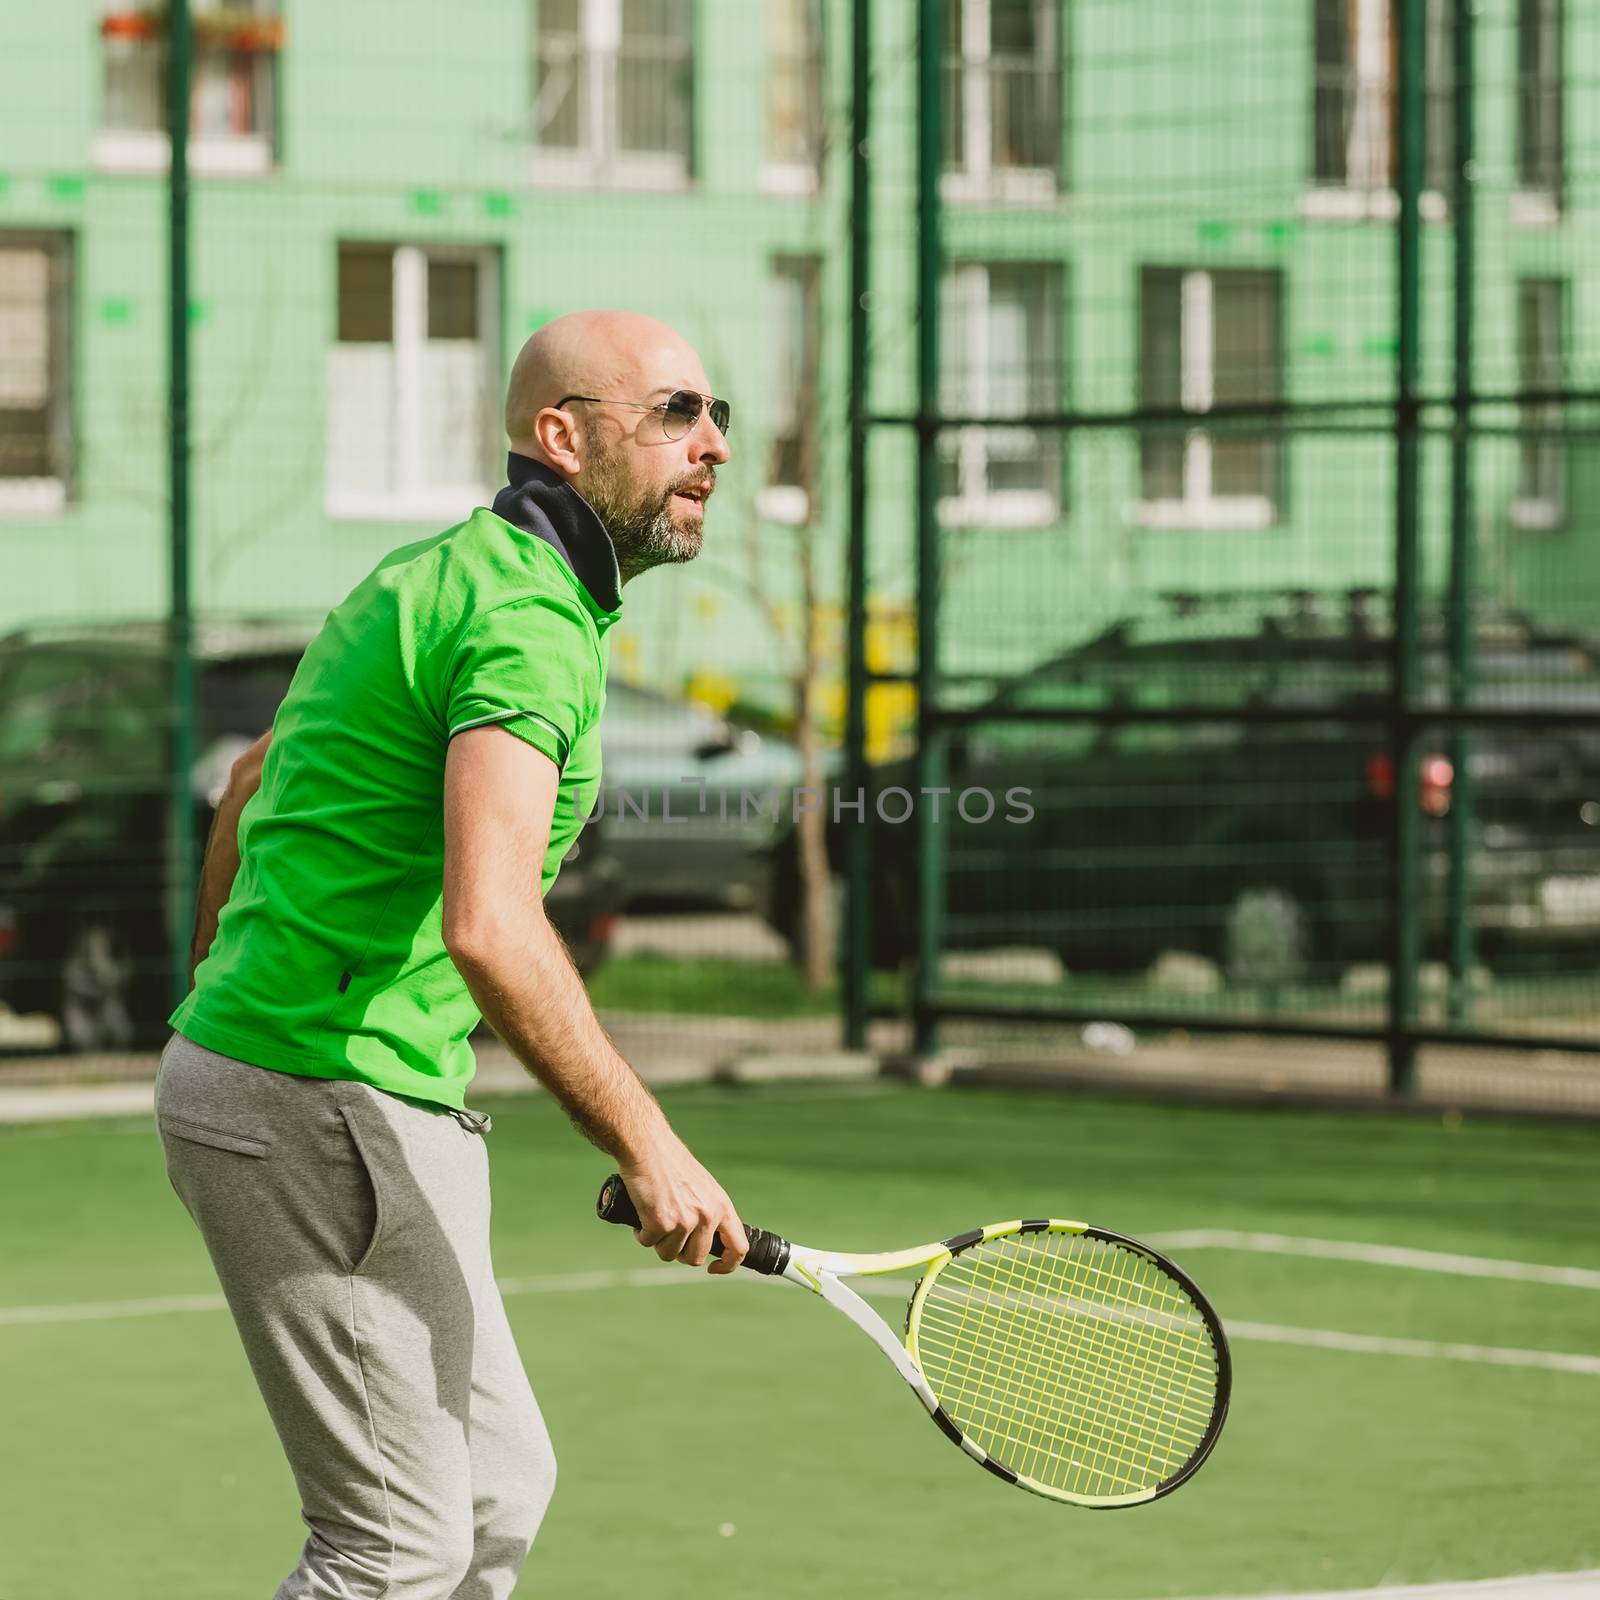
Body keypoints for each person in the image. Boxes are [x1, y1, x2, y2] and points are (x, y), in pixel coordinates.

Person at [156, 309, 744, 1599]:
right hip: (322, 1095)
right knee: (392, 1551)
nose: (711, 448)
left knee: (491, 1495)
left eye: (715, 415)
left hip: (311, 1083)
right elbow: (491, 923)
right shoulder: (526, 617)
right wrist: (652, 1145)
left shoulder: (433, 575)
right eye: (674, 415)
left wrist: (211, 1004)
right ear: (562, 437)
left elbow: (250, 785)